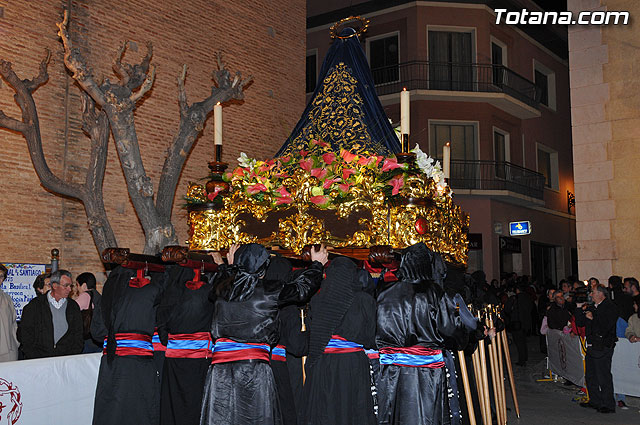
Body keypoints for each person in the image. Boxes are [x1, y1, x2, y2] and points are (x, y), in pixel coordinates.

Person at [200, 243, 326, 425]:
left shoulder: (221, 288)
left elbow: (224, 282)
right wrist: (317, 265)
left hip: (220, 370)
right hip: (253, 369)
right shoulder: (270, 290)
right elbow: (302, 289)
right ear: (264, 268)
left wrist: (230, 266)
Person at [375, 242, 466, 425]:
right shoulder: (436, 294)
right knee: (427, 415)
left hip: (393, 372)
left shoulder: (383, 293)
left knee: (396, 415)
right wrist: (463, 339)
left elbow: (374, 328)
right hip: (426, 372)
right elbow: (450, 330)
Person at [301, 257, 377, 425]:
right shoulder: (364, 300)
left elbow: (312, 333)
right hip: (352, 364)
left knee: (325, 411)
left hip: (323, 362)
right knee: (352, 411)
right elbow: (370, 338)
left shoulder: (317, 300)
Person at [91, 264, 169, 425]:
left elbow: (97, 332)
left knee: (111, 411)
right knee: (141, 410)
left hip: (112, 363)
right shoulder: (153, 291)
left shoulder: (109, 293)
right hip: (140, 363)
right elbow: (162, 327)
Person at [157, 264, 218, 425]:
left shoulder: (171, 295)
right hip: (199, 359)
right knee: (196, 402)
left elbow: (163, 334)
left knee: (173, 402)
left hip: (174, 361)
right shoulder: (208, 292)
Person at [19, 269, 83, 359]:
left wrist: (72, 355)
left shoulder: (73, 306)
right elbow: (26, 334)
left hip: (65, 359)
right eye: (66, 286)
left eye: (71, 286)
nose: (70, 289)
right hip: (40, 359)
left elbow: (78, 334)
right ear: (55, 285)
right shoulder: (34, 306)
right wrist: (33, 355)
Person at [576, 285, 619, 414]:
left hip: (603, 346)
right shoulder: (592, 307)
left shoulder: (610, 307)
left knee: (603, 375)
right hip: (591, 345)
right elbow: (580, 323)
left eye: (593, 292)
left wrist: (593, 317)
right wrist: (579, 308)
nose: (591, 295)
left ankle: (608, 404)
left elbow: (605, 325)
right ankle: (595, 400)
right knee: (591, 375)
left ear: (601, 294)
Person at [504, 284, 534, 366]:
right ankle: (525, 357)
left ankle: (522, 360)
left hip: (517, 323)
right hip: (526, 323)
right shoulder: (528, 298)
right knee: (523, 341)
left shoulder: (514, 298)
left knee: (519, 342)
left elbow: (507, 309)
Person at [0, 264, 19, 362]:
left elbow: (13, 323)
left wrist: (15, 343)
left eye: (1, 276)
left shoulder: (7, 298)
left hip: (8, 349)